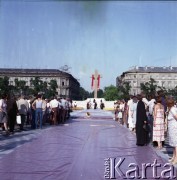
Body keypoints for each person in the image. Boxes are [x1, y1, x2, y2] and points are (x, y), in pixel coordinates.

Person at [166, 97, 177, 165]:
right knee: (173, 143)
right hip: (172, 128)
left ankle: (176, 158)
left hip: (174, 128)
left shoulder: (173, 109)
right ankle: (174, 156)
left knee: (175, 144)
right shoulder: (171, 109)